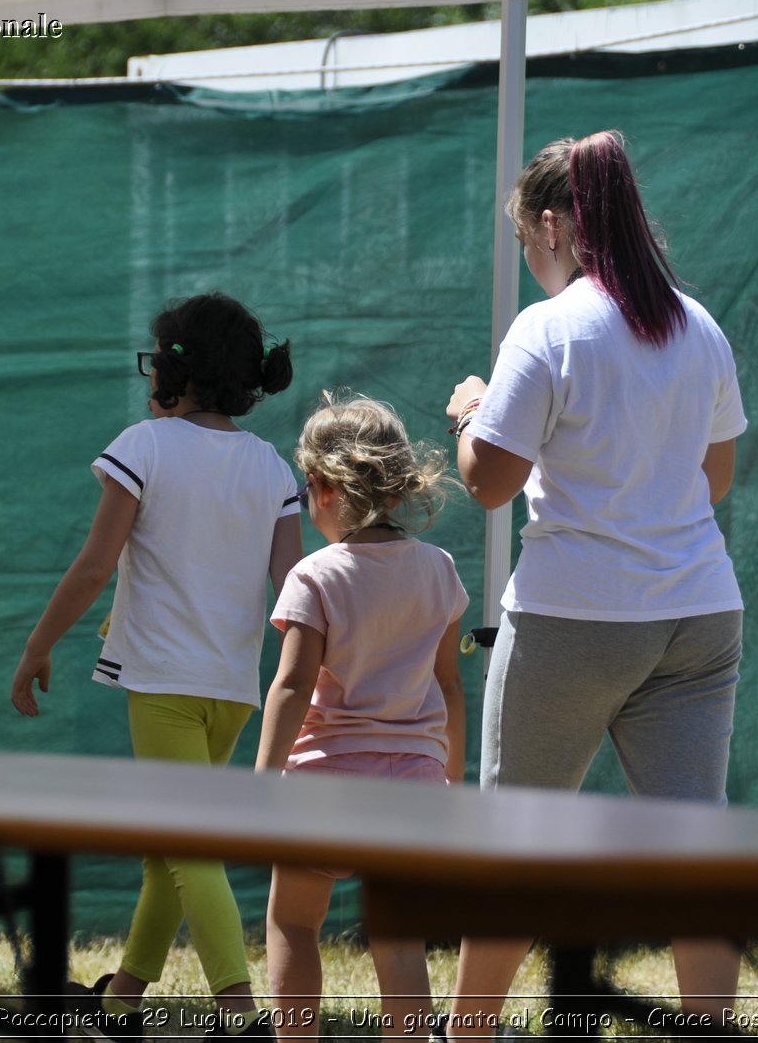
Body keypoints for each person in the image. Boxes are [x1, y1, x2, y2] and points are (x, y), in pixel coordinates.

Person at [440, 130, 747, 1036]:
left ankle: (468, 1032)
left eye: (526, 243)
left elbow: (488, 484)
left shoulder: (547, 328)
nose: (530, 261)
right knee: (698, 852)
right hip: (699, 613)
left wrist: (471, 411)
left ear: (549, 225)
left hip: (575, 616)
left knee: (514, 844)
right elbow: (716, 478)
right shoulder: (698, 324)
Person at [10, 292, 300, 1041]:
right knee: (169, 848)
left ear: (179, 371)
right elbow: (294, 588)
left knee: (185, 847)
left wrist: (38, 644)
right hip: (233, 688)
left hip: (164, 685)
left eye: (157, 359)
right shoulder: (271, 465)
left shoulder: (144, 444)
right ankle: (119, 1006)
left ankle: (243, 1021)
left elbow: (93, 565)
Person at [256, 393, 469, 1041]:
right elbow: (450, 686)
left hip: (324, 786)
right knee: (399, 940)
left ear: (321, 488)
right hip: (413, 784)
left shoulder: (313, 577)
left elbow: (291, 686)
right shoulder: (439, 570)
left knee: (293, 924)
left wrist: (259, 781)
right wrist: (450, 779)